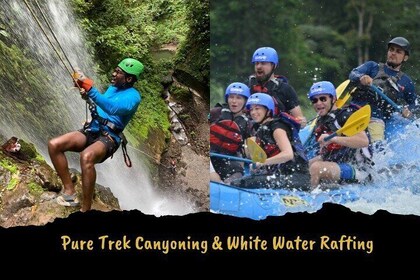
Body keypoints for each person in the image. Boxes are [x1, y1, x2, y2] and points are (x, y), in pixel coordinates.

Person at [48, 58, 144, 212]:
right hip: (93, 130)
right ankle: (70, 192)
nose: (113, 74)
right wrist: (88, 96)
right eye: (115, 70)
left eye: (118, 73)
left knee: (86, 157)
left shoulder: (134, 97)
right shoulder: (114, 88)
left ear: (129, 78)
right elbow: (103, 104)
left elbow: (112, 108)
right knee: (54, 145)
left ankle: (86, 209)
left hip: (109, 138)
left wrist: (90, 89)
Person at [230, 93, 310, 190]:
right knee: (241, 181)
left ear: (268, 110)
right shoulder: (262, 129)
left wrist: (263, 162)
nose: (253, 112)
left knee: (241, 183)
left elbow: (288, 154)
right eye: (251, 109)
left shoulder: (277, 128)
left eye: (257, 108)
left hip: (297, 178)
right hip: (282, 176)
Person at [348, 36, 417, 143]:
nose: (393, 53)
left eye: (398, 51)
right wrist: (361, 77)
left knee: (377, 144)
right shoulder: (372, 66)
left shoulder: (406, 82)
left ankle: (377, 153)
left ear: (405, 57)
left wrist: (408, 111)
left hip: (376, 118)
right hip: (355, 110)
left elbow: (414, 104)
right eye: (391, 50)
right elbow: (353, 74)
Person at [307, 81, 373, 189]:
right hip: (338, 166)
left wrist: (334, 139)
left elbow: (363, 141)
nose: (318, 103)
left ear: (333, 99)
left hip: (359, 170)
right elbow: (329, 154)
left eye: (323, 99)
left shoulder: (345, 116)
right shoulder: (321, 121)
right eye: (314, 100)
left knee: (316, 168)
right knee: (304, 167)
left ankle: (308, 198)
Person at [247, 46, 307, 128]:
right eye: (257, 63)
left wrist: (301, 122)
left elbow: (300, 121)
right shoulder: (249, 87)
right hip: (254, 132)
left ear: (273, 66)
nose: (259, 67)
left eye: (263, 63)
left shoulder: (285, 89)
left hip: (276, 132)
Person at [210, 82, 252, 183]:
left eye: (239, 98)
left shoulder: (248, 124)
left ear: (246, 101)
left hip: (225, 159)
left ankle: (226, 187)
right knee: (214, 178)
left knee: (238, 173)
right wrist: (211, 172)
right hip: (208, 156)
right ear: (227, 99)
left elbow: (248, 150)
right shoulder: (216, 112)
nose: (234, 101)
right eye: (231, 97)